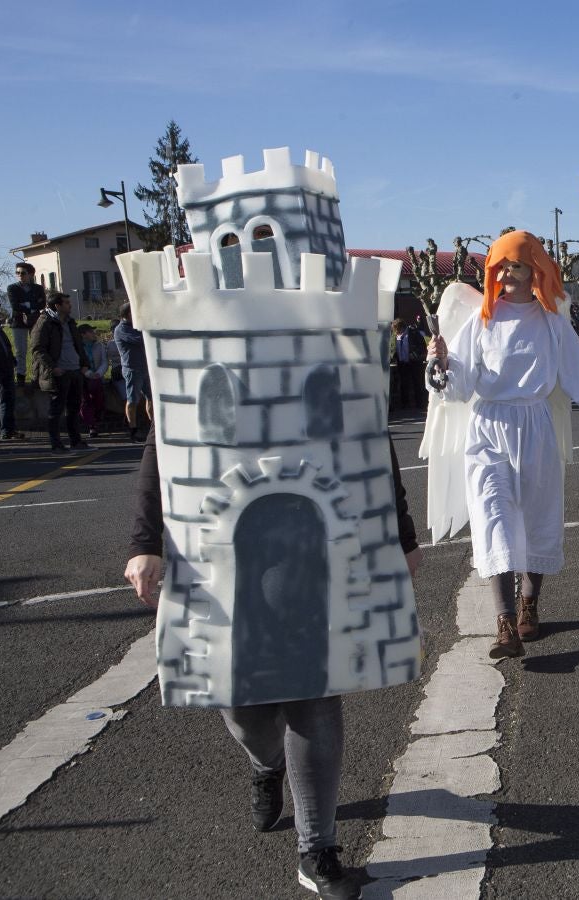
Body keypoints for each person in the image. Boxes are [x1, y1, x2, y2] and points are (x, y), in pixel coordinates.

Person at [125, 422, 421, 900]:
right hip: (221, 549)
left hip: (313, 541)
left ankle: (316, 849)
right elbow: (164, 438)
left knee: (315, 692)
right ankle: (267, 763)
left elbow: (366, 423)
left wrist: (402, 534)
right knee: (240, 699)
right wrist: (144, 542)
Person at [427, 230, 579, 658]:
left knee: (537, 518)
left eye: (516, 266)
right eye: (501, 266)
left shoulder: (552, 323)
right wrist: (441, 363)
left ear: (534, 270)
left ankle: (529, 602)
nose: (507, 274)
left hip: (535, 427)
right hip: (488, 427)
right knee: (494, 516)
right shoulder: (483, 319)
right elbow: (458, 385)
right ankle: (504, 622)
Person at [30, 292, 91, 452]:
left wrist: (85, 364)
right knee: (56, 409)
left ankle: (76, 441)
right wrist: (53, 368)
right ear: (57, 306)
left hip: (75, 370)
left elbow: (78, 345)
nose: (70, 305)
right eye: (66, 303)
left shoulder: (70, 322)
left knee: (74, 407)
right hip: (59, 372)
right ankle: (56, 444)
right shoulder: (45, 322)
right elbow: (37, 349)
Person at [114, 303, 151, 442]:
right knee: (133, 400)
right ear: (128, 314)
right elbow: (141, 339)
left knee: (151, 397)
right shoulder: (122, 329)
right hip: (132, 369)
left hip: (145, 368)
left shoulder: (136, 326)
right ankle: (133, 429)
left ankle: (153, 427)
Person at [6, 261, 46, 384]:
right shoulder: (12, 288)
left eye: (22, 273)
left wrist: (25, 305)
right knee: (20, 350)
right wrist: (32, 306)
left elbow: (42, 304)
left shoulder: (38, 288)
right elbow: (15, 306)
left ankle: (37, 375)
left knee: (37, 349)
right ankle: (20, 376)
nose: (19, 275)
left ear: (31, 274)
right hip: (18, 322)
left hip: (35, 321)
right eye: (17, 273)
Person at [76, 324, 109, 439]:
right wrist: (88, 374)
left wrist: (99, 373)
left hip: (97, 377)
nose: (93, 333)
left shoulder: (99, 345)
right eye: (90, 332)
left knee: (99, 400)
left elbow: (104, 361)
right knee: (85, 402)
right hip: (83, 377)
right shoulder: (77, 347)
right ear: (83, 334)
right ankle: (92, 426)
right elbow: (77, 363)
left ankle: (97, 420)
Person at [391, 318, 427, 412]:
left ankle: (420, 403)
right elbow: (395, 348)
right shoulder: (397, 336)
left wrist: (416, 354)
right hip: (402, 363)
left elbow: (422, 346)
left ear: (402, 327)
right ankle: (405, 404)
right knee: (403, 384)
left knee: (417, 382)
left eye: (397, 330)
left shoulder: (413, 333)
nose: (396, 332)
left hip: (414, 362)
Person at [0, 324, 23, 440]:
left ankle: (8, 430)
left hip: (6, 368)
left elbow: (6, 345)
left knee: (8, 399)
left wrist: (11, 359)